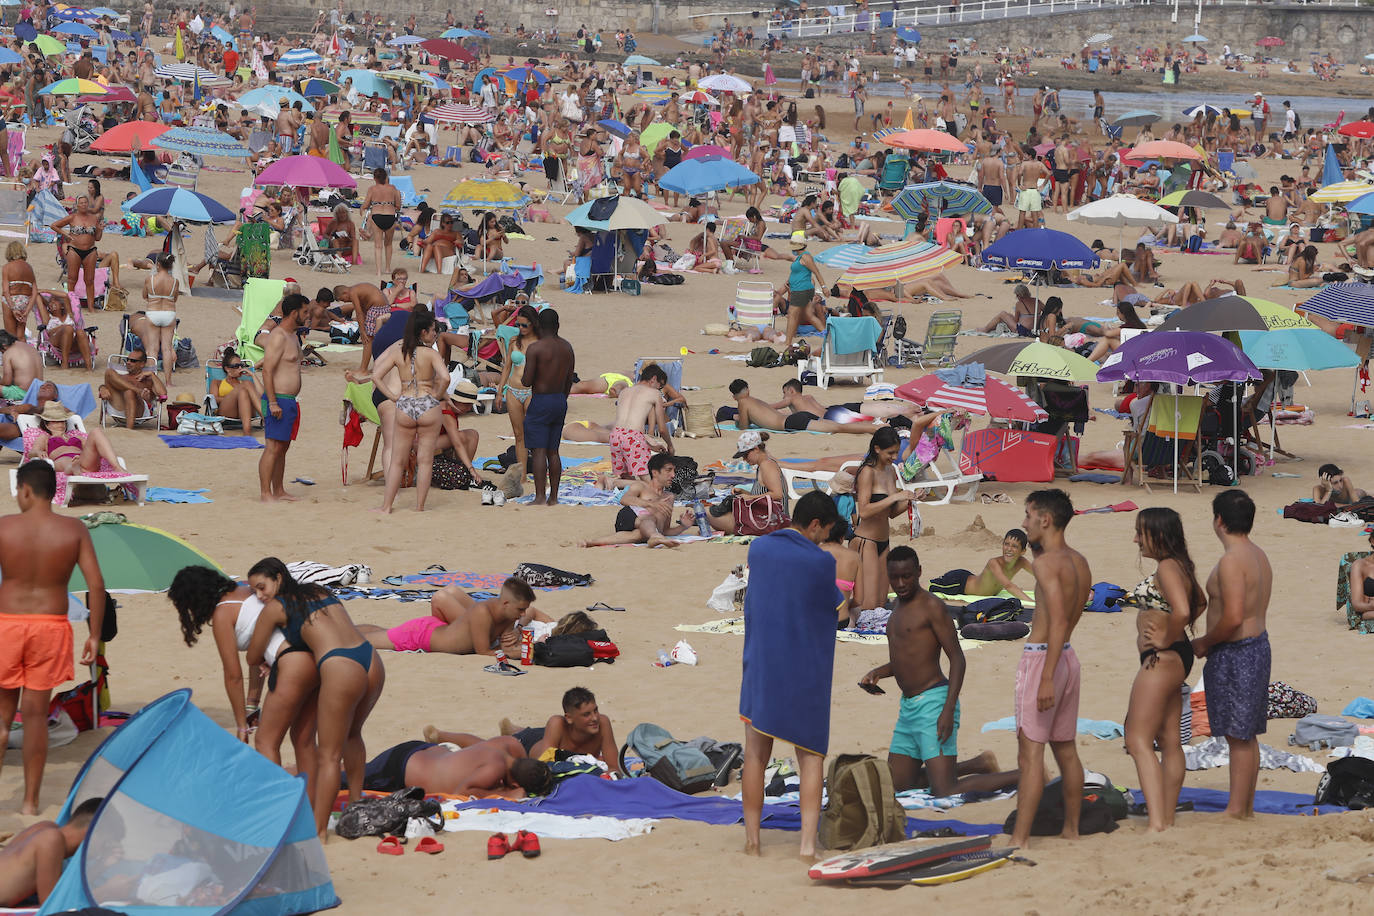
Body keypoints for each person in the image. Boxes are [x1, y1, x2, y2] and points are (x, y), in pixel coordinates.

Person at [861, 547, 1020, 795]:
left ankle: (1026, 775)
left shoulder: (931, 606)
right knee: (898, 786)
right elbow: (908, 659)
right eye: (895, 577)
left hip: (934, 704)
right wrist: (878, 672)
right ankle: (980, 764)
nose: (901, 583)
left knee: (944, 789)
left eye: (907, 576)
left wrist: (948, 708)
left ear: (919, 572)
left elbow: (957, 658)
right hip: (909, 709)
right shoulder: (895, 608)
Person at [247, 557, 386, 837]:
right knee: (352, 736)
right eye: (255, 592)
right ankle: (356, 805)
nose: (260, 596)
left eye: (262, 587)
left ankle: (319, 831)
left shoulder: (276, 607)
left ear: (279, 578)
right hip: (371, 658)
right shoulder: (319, 590)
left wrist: (268, 656)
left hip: (339, 664)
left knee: (329, 755)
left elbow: (252, 654)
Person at [740, 490, 843, 859]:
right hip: (804, 670)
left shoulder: (759, 549)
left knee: (754, 756)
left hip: (762, 664)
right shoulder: (820, 563)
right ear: (815, 524)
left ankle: (752, 841)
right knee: (811, 757)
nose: (823, 540)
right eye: (824, 532)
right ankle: (805, 847)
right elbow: (836, 609)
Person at [0, 461, 105, 814]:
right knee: (34, 718)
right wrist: (93, 635)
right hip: (50, 627)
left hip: (8, 625)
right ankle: (30, 803)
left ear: (26, 490)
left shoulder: (4, 527)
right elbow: (96, 585)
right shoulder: (73, 530)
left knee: (2, 720)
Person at [167, 565, 317, 779]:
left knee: (265, 742)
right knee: (304, 740)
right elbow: (257, 653)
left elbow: (233, 676)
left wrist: (240, 726)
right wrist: (251, 705)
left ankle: (276, 803)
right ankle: (311, 803)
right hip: (314, 658)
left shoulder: (222, 613)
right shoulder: (249, 592)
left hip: (291, 667)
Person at [1010, 488, 1091, 849]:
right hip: (1068, 657)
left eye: (1028, 516)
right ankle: (1071, 828)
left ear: (1045, 519)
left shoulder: (1045, 563)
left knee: (1030, 754)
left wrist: (1045, 677)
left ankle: (1020, 839)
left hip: (1046, 658)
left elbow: (1056, 620)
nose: (1024, 523)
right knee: (1066, 749)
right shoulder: (1080, 561)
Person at [1123, 508, 1206, 831]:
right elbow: (1200, 602)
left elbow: (1185, 609)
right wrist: (1175, 636)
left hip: (1163, 657)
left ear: (1158, 535)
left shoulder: (1169, 568)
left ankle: (1157, 822)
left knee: (1137, 738)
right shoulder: (1180, 566)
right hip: (1176, 657)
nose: (1135, 539)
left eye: (1140, 533)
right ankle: (1166, 817)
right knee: (1170, 740)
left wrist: (1165, 636)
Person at [1192, 490, 1272, 818]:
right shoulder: (1258, 554)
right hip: (1256, 647)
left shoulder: (1232, 561)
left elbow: (1233, 617)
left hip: (1236, 651)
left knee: (1238, 736)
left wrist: (1205, 642)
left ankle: (1237, 809)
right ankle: (1244, 807)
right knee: (1245, 734)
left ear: (1219, 520)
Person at [365, 306, 449, 513]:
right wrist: (436, 395)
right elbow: (446, 378)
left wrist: (394, 396)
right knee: (425, 459)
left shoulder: (398, 350)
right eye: (432, 330)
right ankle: (419, 506)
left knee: (397, 460)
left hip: (405, 402)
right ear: (423, 332)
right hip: (427, 404)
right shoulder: (431, 354)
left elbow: (376, 376)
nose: (435, 333)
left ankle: (386, 506)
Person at [435, 686, 622, 773]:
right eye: (587, 714)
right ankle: (439, 734)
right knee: (489, 749)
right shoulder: (557, 723)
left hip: (550, 739)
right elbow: (544, 767)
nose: (594, 718)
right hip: (530, 747)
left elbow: (614, 768)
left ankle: (511, 728)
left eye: (595, 711)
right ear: (570, 718)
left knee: (532, 733)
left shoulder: (602, 724)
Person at [359, 577, 546, 656]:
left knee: (383, 633)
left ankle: (346, 628)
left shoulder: (509, 615)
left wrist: (515, 636)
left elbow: (500, 645)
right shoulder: (483, 612)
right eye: (520, 609)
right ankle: (339, 630)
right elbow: (483, 652)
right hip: (422, 636)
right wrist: (516, 652)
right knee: (366, 640)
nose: (522, 614)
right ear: (506, 603)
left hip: (434, 630)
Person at [361, 737, 551, 798]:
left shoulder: (510, 744)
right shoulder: (495, 769)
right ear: (516, 782)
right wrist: (506, 794)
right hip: (403, 768)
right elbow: (463, 791)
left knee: (358, 769)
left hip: (424, 750)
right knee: (345, 779)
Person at [582, 453, 703, 547]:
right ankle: (653, 536)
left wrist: (683, 526)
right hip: (629, 517)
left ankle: (593, 542)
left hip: (649, 530)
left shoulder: (669, 497)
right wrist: (651, 504)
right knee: (649, 517)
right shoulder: (641, 486)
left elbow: (664, 530)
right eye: (668, 470)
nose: (673, 475)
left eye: (674, 471)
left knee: (641, 535)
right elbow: (624, 499)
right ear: (655, 472)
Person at [852, 426, 912, 611]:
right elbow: (864, 511)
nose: (894, 457)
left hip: (884, 541)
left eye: (896, 452)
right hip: (866, 541)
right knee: (867, 605)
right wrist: (894, 497)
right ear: (877, 449)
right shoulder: (867, 472)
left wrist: (910, 500)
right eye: (891, 453)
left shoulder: (890, 471)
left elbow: (891, 513)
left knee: (879, 605)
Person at [0, 797, 101, 906]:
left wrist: (101, 867)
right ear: (93, 833)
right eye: (108, 842)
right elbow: (51, 907)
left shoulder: (44, 827)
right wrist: (104, 890)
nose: (104, 849)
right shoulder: (52, 840)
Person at [520, 309, 575, 506]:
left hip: (541, 400)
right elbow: (569, 379)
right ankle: (554, 497)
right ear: (558, 325)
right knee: (554, 450)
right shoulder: (567, 348)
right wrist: (562, 397)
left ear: (538, 326)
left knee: (539, 450)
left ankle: (540, 496)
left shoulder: (536, 348)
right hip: (560, 400)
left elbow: (526, 381)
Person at [259, 293, 306, 502]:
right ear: (294, 313)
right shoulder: (278, 336)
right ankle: (265, 493)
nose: (307, 316)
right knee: (273, 447)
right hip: (277, 398)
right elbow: (267, 370)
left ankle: (278, 490)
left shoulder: (294, 336)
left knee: (283, 447)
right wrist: (272, 402)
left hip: (289, 400)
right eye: (304, 312)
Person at [728, 379, 885, 435]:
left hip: (791, 423)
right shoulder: (755, 400)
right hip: (796, 418)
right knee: (837, 425)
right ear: (748, 390)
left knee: (838, 428)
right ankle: (873, 425)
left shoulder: (742, 402)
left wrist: (737, 419)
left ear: (734, 396)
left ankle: (873, 429)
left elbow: (743, 426)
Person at [927, 529, 1033, 602]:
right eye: (1006, 544)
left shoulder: (1022, 562)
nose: (1009, 549)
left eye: (1014, 546)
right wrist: (1031, 602)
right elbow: (1009, 586)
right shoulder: (994, 563)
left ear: (1023, 551)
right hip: (959, 583)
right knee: (930, 586)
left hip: (971, 578)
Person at [608, 364, 673, 483]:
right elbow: (662, 429)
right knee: (649, 481)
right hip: (633, 437)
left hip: (615, 436)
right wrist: (670, 445)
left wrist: (651, 446)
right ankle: (609, 482)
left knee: (626, 477)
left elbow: (626, 431)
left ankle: (612, 482)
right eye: (659, 385)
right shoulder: (654, 394)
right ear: (653, 379)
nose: (659, 389)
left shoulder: (624, 392)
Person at [495, 304, 540, 476]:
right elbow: (507, 367)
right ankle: (522, 476)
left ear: (533, 324)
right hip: (513, 390)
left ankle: (537, 470)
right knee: (519, 435)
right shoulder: (514, 341)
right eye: (518, 325)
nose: (520, 328)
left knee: (534, 433)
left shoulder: (540, 342)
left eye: (524, 325)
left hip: (532, 391)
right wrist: (500, 391)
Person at [98, 348, 166, 431]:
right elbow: (108, 385)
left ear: (142, 364)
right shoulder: (121, 377)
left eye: (133, 361)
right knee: (109, 372)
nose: (128, 363)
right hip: (119, 407)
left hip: (138, 412)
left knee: (129, 392)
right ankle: (137, 391)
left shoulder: (148, 381)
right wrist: (102, 388)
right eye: (127, 360)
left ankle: (129, 431)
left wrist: (152, 375)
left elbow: (163, 394)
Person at [141, 253, 180, 386]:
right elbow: (175, 298)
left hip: (153, 312)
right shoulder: (175, 281)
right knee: (167, 349)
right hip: (168, 313)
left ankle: (152, 379)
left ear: (158, 264)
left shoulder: (150, 279)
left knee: (152, 349)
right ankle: (168, 381)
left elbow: (144, 295)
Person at [361, 167, 402, 279]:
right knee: (388, 244)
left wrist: (362, 209)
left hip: (377, 216)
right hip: (390, 216)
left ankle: (379, 271)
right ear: (386, 177)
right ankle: (388, 268)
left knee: (378, 246)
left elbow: (365, 204)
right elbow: (398, 205)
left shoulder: (372, 189)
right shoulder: (393, 188)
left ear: (375, 178)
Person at [210, 346, 262, 432]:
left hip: (247, 411)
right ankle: (267, 420)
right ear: (227, 369)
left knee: (243, 392)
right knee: (244, 387)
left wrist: (253, 375)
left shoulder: (244, 384)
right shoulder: (217, 382)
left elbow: (262, 395)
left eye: (241, 365)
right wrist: (233, 398)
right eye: (236, 366)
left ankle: (247, 433)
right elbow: (213, 399)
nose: (240, 368)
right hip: (227, 411)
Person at [1, 241, 38, 340]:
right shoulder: (29, 268)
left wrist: (13, 308)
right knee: (21, 336)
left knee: (10, 336)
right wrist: (27, 310)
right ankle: (23, 354)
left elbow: (5, 291)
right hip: (25, 300)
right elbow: (35, 292)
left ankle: (13, 355)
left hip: (11, 300)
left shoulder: (7, 267)